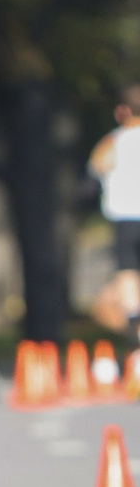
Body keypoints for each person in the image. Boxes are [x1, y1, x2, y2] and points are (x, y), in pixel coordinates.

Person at [87, 87, 140, 336]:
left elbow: (95, 170)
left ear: (122, 112)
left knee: (127, 270)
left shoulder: (113, 141)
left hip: (125, 217)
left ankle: (133, 321)